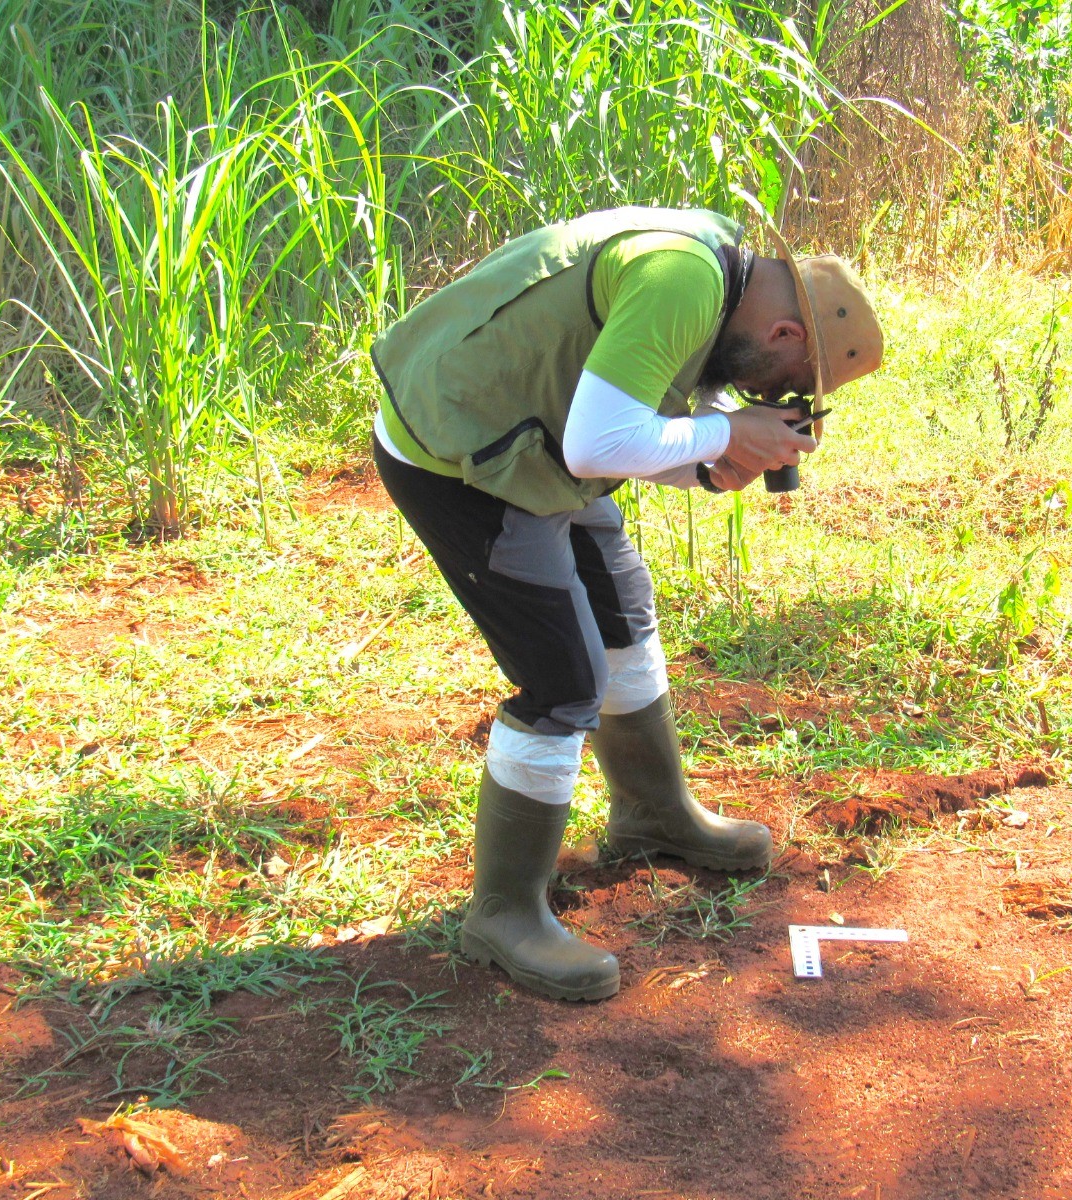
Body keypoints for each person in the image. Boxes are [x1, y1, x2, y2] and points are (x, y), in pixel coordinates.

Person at [369, 205, 883, 1001]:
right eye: (775, 385)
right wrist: (724, 436)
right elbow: (596, 444)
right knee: (565, 677)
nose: (754, 392)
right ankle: (502, 913)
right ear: (785, 334)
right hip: (457, 451)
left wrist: (713, 461)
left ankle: (651, 813)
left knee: (621, 612)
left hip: (533, 436)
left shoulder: (716, 276)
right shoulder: (685, 280)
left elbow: (630, 419)